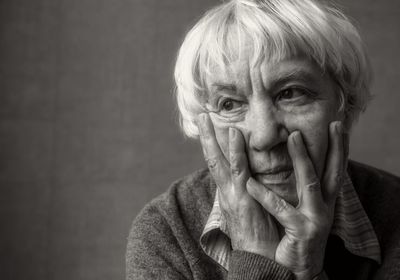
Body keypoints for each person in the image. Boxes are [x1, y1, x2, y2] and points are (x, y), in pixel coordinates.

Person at [126, 0, 400, 279]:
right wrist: (255, 255)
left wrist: (307, 269)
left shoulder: (394, 214)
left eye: (291, 93)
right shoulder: (167, 229)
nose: (265, 136)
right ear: (202, 123)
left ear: (345, 103)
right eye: (230, 104)